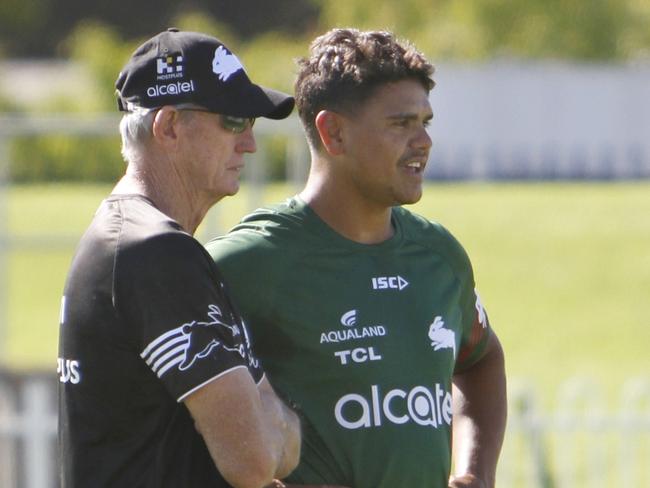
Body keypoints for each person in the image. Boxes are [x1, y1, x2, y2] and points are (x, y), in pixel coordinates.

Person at [206, 28, 507, 488]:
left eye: (425, 121)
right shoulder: (249, 262)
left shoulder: (439, 256)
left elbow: (481, 360)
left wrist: (475, 472)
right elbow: (165, 399)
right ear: (334, 132)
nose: (423, 141)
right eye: (401, 124)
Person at [57, 28, 302, 488]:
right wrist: (276, 420)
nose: (249, 142)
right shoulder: (156, 253)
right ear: (168, 126)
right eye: (233, 120)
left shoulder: (125, 237)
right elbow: (255, 460)